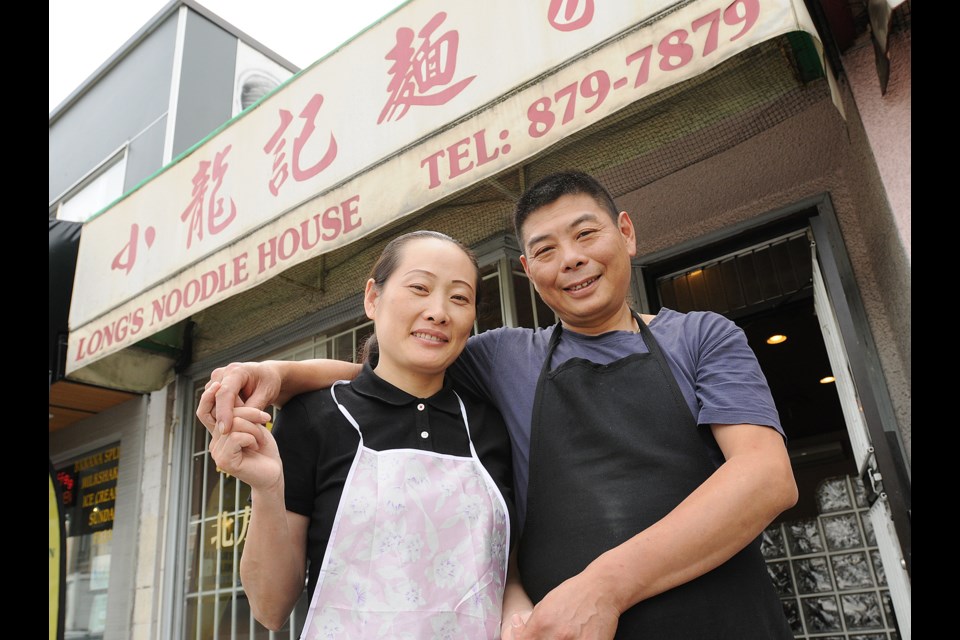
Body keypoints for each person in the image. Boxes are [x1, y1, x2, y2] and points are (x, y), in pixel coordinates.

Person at [199, 171, 799, 639]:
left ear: (627, 232)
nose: (570, 259)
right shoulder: (503, 357)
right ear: (528, 272)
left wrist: (605, 588)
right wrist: (273, 372)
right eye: (545, 249)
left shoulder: (701, 337)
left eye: (586, 234)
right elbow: (390, 369)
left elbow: (766, 478)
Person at [198, 230, 533, 639]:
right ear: (373, 298)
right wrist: (267, 489)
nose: (438, 311)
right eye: (419, 288)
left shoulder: (489, 424)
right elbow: (270, 609)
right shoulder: (316, 415)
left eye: (459, 298)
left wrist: (521, 619)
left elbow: (505, 575)